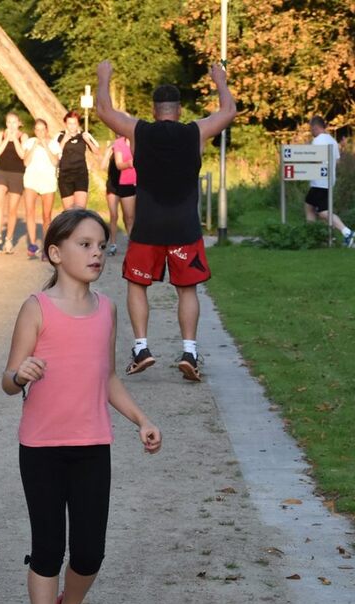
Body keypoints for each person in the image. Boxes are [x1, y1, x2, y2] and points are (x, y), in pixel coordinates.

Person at [0, 208, 162, 604]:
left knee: (89, 552)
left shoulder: (108, 310)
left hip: (94, 445)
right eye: (85, 245)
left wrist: (141, 419)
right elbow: (8, 380)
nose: (97, 253)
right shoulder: (36, 307)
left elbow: (106, 376)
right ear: (56, 253)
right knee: (47, 549)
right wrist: (20, 375)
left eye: (101, 246)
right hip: (43, 448)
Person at [96, 61, 236, 382]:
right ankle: (189, 352)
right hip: (185, 227)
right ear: (179, 109)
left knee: (137, 284)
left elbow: (104, 109)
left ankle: (142, 348)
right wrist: (220, 81)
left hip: (147, 227)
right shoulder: (195, 131)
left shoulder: (139, 131)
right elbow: (229, 111)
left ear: (154, 110)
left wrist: (104, 77)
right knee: (187, 290)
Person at [305, 115, 355, 246]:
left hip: (319, 181)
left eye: (311, 128)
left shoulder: (317, 141)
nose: (311, 131)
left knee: (323, 212)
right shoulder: (332, 141)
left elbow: (314, 159)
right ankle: (323, 236)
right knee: (309, 206)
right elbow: (337, 161)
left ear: (315, 127)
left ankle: (346, 232)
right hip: (329, 180)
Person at [0, 112, 29, 254]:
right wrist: (7, 139)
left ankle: (9, 240)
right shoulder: (1, 135)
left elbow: (23, 155)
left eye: (14, 122)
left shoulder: (23, 136)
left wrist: (15, 139)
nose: (11, 125)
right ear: (6, 124)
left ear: (19, 123)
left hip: (17, 175)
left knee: (12, 210)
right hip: (2, 172)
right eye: (9, 122)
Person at [22, 119, 60, 259]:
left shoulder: (53, 143)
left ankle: (46, 247)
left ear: (47, 130)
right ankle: (32, 244)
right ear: (34, 130)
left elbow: (55, 162)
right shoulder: (30, 142)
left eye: (43, 129)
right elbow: (25, 162)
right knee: (30, 212)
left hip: (47, 181)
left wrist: (45, 145)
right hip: (31, 180)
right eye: (37, 130)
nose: (40, 132)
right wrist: (34, 147)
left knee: (46, 216)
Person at [54, 111, 99, 210]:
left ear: (78, 124)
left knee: (80, 210)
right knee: (69, 212)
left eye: (74, 123)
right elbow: (55, 155)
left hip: (80, 174)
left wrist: (87, 140)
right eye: (69, 123)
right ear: (65, 124)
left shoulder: (84, 135)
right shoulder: (60, 136)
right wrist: (64, 141)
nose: (72, 126)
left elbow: (96, 151)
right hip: (65, 175)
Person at [103, 132, 137, 256]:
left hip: (133, 183)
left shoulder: (139, 141)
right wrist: (129, 163)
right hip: (115, 183)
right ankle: (113, 244)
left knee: (131, 217)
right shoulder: (118, 144)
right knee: (114, 216)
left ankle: (134, 243)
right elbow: (117, 165)